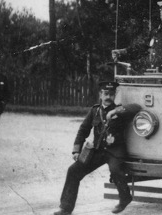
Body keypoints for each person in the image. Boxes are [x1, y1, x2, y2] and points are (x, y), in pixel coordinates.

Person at [54, 81, 141, 215]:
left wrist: (115, 111)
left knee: (115, 170)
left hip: (115, 151)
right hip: (98, 150)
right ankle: (65, 208)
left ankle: (125, 198)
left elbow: (136, 107)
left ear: (114, 95)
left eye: (111, 94)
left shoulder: (120, 110)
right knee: (73, 171)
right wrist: (76, 150)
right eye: (106, 93)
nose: (108, 97)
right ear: (100, 94)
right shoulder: (95, 111)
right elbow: (83, 130)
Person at [112, 0, 162, 75]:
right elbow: (142, 48)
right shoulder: (156, 32)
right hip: (158, 78)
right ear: (160, 13)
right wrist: (123, 52)